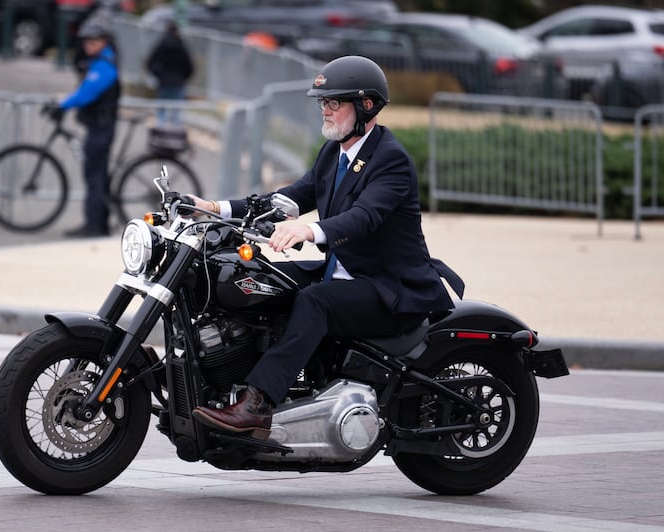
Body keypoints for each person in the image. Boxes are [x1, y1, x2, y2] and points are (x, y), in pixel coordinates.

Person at [190, 56, 465, 440]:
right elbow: (290, 197)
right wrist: (215, 208)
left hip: (389, 289)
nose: (326, 109)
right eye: (322, 102)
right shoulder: (333, 154)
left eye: (335, 102)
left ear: (366, 105)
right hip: (346, 273)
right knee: (257, 279)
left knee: (316, 300)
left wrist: (309, 231)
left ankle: (257, 404)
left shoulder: (390, 160)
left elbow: (365, 217)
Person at [43, 12, 120, 238]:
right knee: (97, 174)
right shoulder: (101, 61)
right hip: (99, 126)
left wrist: (63, 105)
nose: (88, 45)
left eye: (93, 41)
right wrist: (62, 101)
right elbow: (84, 89)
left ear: (104, 41)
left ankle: (94, 225)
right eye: (86, 41)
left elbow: (87, 93)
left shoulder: (105, 65)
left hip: (101, 128)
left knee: (94, 175)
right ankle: (100, 222)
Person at [145, 21, 194, 128]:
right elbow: (189, 65)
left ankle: (160, 131)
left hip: (164, 82)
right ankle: (175, 136)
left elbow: (150, 62)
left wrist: (158, 75)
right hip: (178, 82)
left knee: (161, 109)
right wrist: (184, 77)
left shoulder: (161, 44)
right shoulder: (181, 45)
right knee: (177, 111)